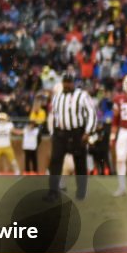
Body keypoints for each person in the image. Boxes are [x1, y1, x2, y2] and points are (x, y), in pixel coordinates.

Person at [46, 72, 97, 201]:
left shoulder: (82, 95)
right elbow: (54, 115)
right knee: (55, 162)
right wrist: (53, 132)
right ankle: (53, 192)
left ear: (73, 82)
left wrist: (88, 132)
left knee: (80, 162)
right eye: (65, 82)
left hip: (77, 133)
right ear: (62, 82)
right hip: (60, 133)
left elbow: (92, 113)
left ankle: (81, 192)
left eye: (69, 82)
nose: (67, 84)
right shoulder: (57, 96)